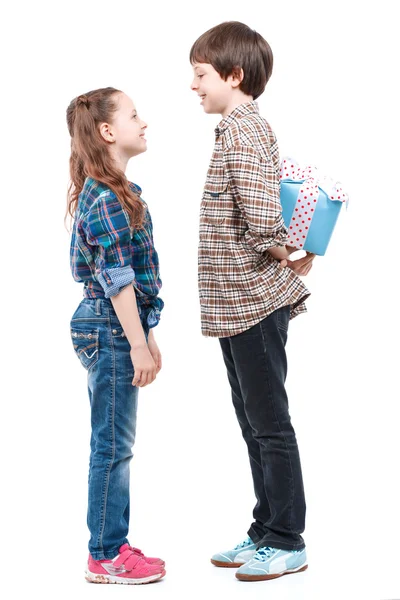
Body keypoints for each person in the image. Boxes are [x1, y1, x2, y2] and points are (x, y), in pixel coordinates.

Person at [190, 22, 315, 582]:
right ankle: (265, 529)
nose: (194, 86)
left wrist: (286, 248)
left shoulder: (244, 132)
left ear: (233, 76)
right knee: (252, 420)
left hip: (254, 300)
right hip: (235, 302)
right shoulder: (235, 130)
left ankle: (288, 539)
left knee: (269, 422)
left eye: (200, 74)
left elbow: (261, 210)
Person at [66, 87, 166, 585]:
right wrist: (137, 341)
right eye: (133, 115)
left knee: (113, 442)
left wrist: (146, 332)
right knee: (112, 445)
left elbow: (128, 281)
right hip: (108, 326)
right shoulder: (104, 198)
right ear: (107, 132)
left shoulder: (115, 192)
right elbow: (118, 278)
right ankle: (106, 552)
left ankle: (111, 543)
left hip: (113, 325)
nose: (143, 122)